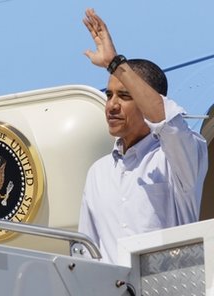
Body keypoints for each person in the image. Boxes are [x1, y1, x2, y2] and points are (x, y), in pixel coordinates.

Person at [78, 8, 208, 264]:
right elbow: (86, 253)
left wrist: (115, 63)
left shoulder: (180, 158)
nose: (112, 105)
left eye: (125, 96)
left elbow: (166, 120)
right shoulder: (98, 172)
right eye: (109, 95)